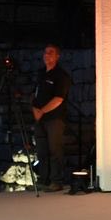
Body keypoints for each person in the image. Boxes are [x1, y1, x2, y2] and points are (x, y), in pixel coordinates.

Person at [32, 45, 71, 190]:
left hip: (54, 118)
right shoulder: (41, 73)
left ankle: (56, 181)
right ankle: (44, 179)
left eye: (51, 52)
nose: (47, 55)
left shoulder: (61, 75)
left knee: (55, 150)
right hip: (40, 119)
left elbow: (59, 98)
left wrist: (42, 111)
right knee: (41, 150)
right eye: (45, 52)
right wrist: (34, 109)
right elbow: (35, 93)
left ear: (57, 56)